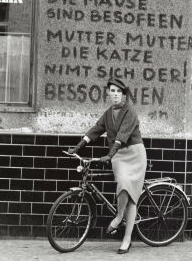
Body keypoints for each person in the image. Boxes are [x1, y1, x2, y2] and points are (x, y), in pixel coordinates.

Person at [69, 77, 147, 254]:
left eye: (119, 91)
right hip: (118, 156)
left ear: (124, 94)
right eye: (112, 91)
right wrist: (78, 146)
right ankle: (120, 216)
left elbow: (122, 135)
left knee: (131, 194)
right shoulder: (108, 114)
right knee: (123, 185)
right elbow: (96, 130)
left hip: (134, 153)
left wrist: (110, 154)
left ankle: (123, 230)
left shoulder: (130, 112)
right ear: (108, 93)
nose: (115, 94)